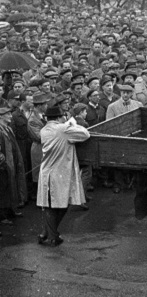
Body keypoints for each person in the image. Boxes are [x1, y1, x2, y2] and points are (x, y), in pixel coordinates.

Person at [36, 103, 91, 246]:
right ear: (60, 117)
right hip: (59, 172)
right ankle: (52, 235)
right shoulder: (63, 129)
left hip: (47, 171)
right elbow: (85, 134)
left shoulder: (44, 129)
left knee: (51, 204)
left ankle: (46, 233)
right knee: (60, 204)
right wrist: (72, 124)